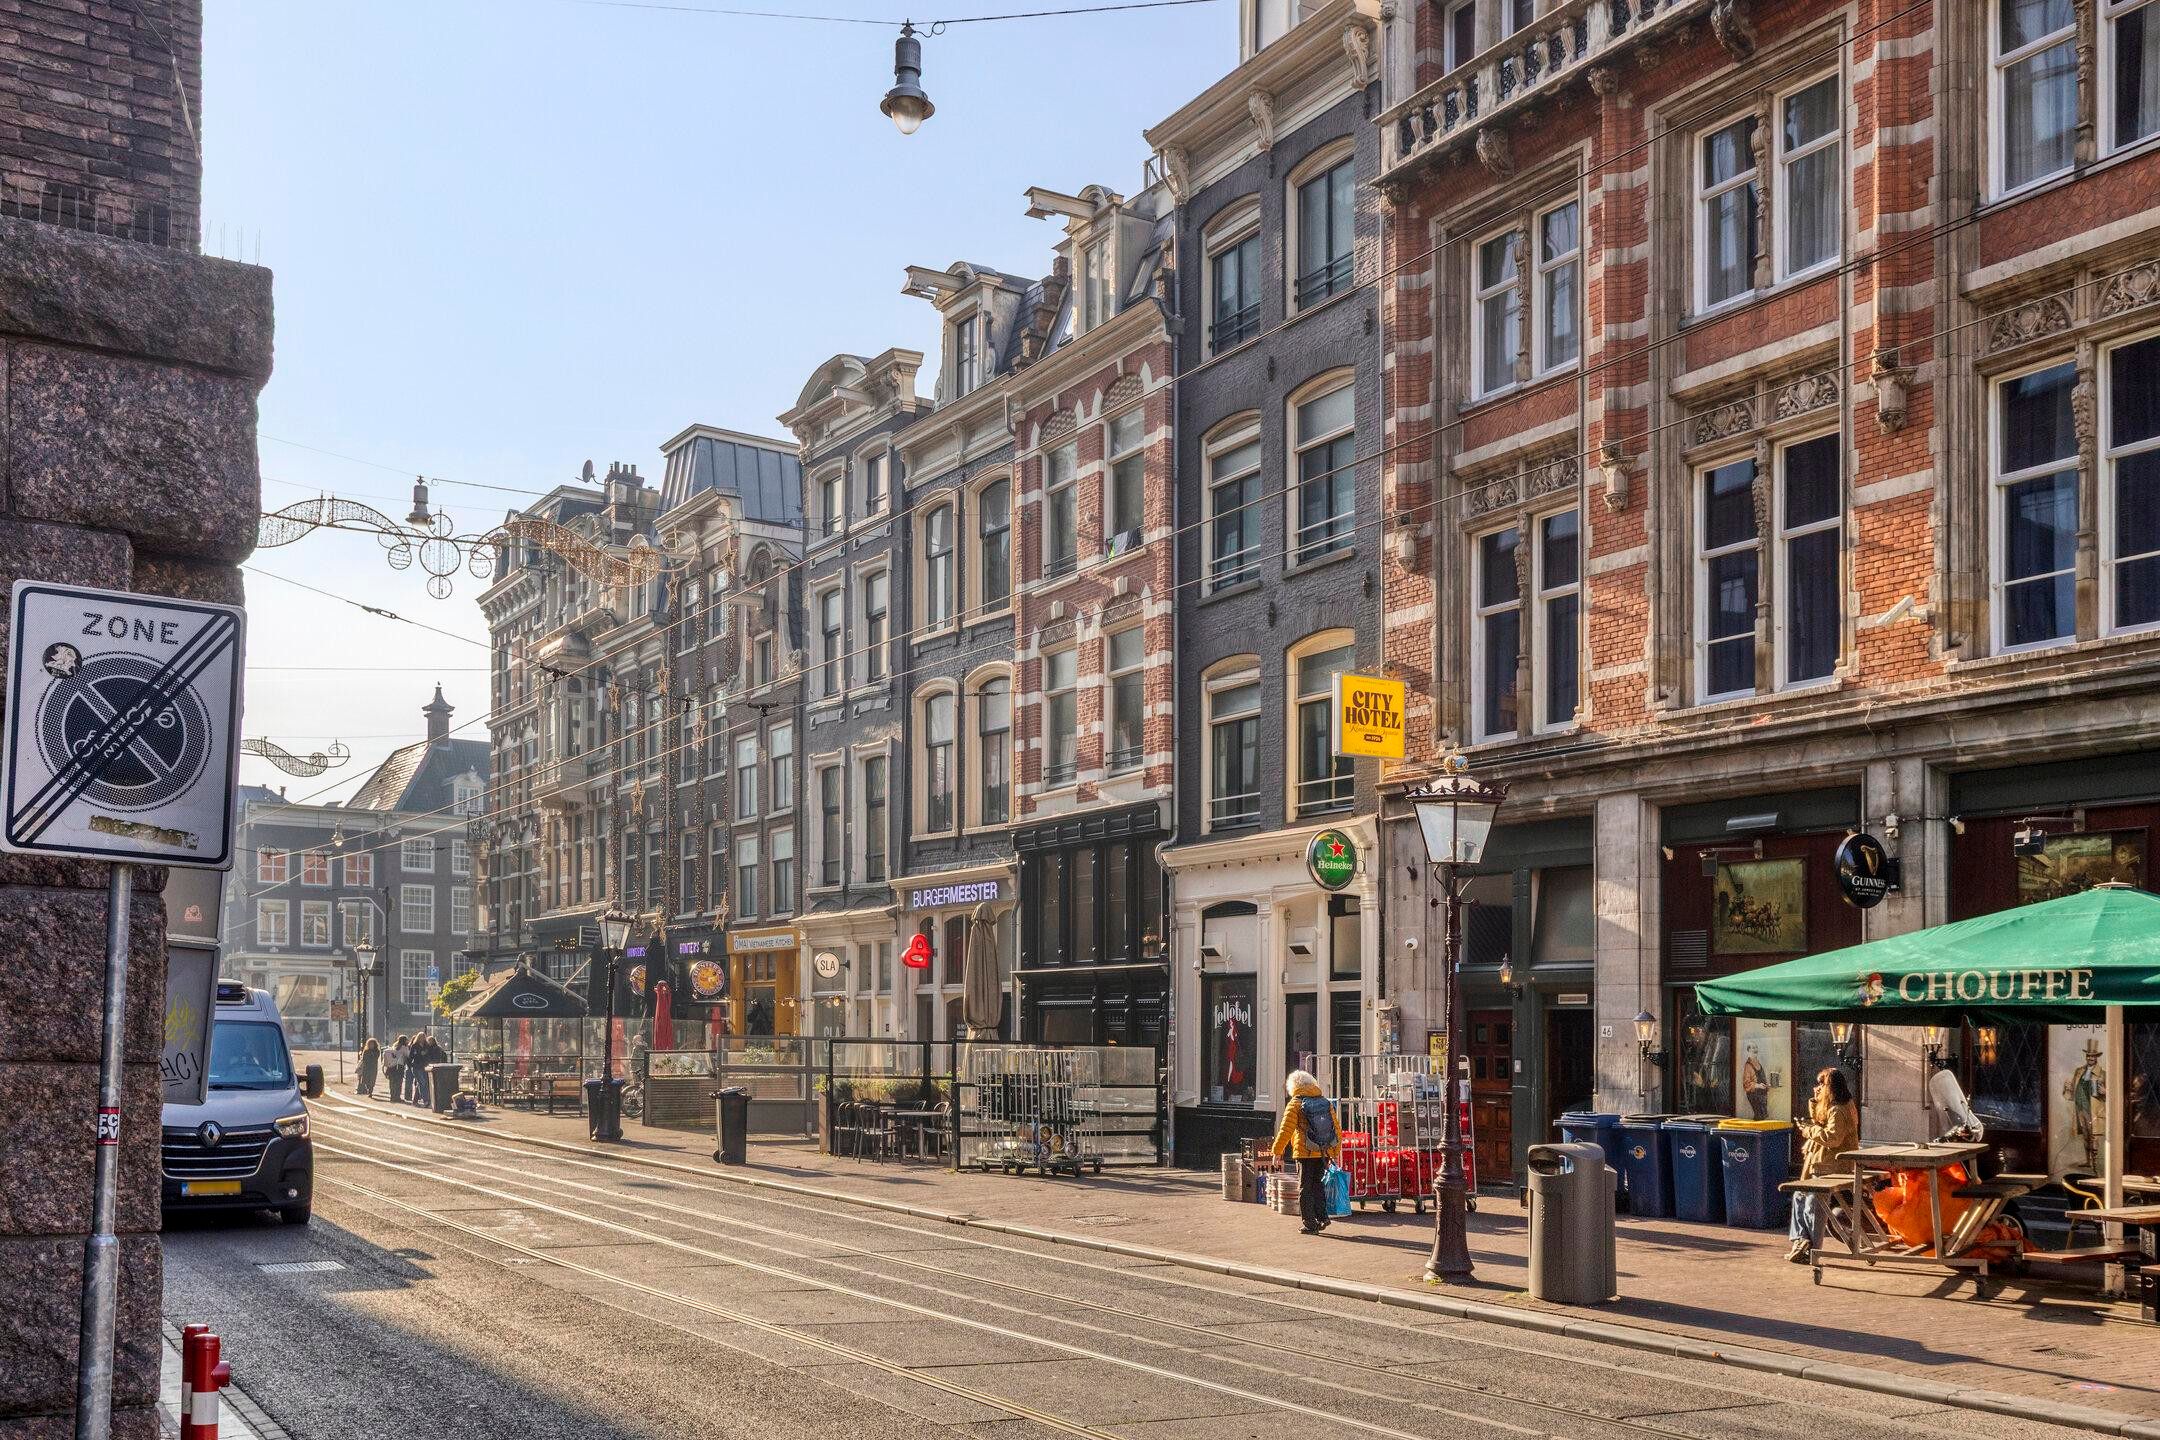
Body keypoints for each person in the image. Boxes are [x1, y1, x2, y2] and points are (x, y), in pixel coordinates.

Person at [1788, 1066, 1859, 1264]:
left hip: (1832, 1167)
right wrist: (1815, 1102)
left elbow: (1832, 1137)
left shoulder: (1839, 1109)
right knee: (1799, 1195)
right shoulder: (1831, 1106)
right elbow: (1819, 1121)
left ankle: (1812, 1248)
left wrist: (1808, 1131)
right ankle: (1801, 1240)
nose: (1817, 1087)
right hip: (1820, 1163)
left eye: (1821, 1084)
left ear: (1831, 1086)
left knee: (1814, 1203)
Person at [1270, 1069, 1343, 1236]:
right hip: (1323, 1151)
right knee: (1318, 1185)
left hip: (1304, 1152)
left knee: (1305, 1188)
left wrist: (1277, 1151)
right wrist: (1334, 1151)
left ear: (1293, 1086)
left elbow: (1285, 1130)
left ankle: (1309, 1223)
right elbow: (1336, 1129)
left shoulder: (1295, 1103)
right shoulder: (1324, 1101)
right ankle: (1323, 1217)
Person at [411, 1031, 438, 1107]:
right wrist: (411, 1065)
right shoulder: (414, 1046)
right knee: (422, 1083)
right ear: (418, 1038)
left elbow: (429, 1055)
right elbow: (411, 1056)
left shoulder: (427, 1046)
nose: (422, 1039)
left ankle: (415, 1100)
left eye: (423, 1037)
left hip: (424, 1067)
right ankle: (426, 1100)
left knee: (423, 1083)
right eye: (421, 1037)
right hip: (417, 1066)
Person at [384, 1034, 409, 1104]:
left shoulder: (394, 1046)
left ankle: (392, 1096)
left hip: (391, 1067)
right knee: (398, 1082)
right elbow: (408, 1055)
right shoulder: (404, 1047)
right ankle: (397, 1097)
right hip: (399, 1067)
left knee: (392, 1082)